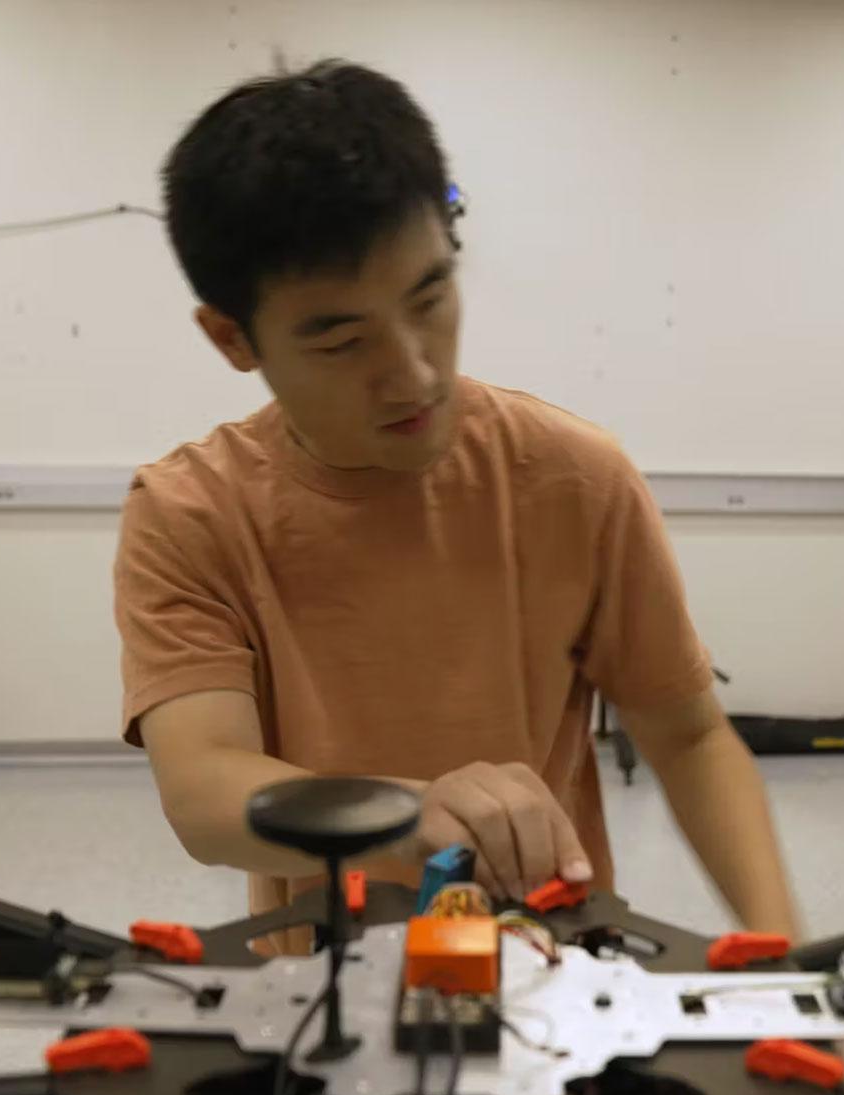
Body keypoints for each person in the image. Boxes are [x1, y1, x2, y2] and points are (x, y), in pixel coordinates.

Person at [114, 59, 798, 952]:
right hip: (318, 990)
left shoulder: (574, 477)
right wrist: (409, 813)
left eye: (430, 297)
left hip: (551, 966)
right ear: (232, 337)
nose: (414, 372)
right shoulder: (191, 512)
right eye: (342, 338)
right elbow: (203, 786)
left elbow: (690, 736)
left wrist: (793, 970)